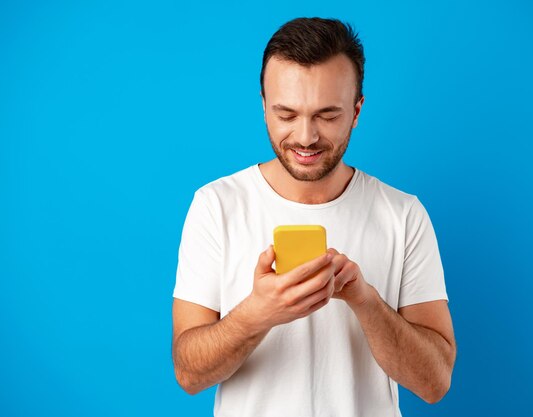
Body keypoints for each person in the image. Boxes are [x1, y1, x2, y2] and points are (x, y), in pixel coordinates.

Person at [171, 17, 456, 417]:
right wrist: (258, 312)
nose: (305, 136)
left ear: (357, 110)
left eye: (327, 115)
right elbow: (189, 373)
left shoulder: (403, 215)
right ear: (264, 107)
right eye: (286, 114)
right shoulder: (216, 205)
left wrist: (363, 299)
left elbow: (434, 382)